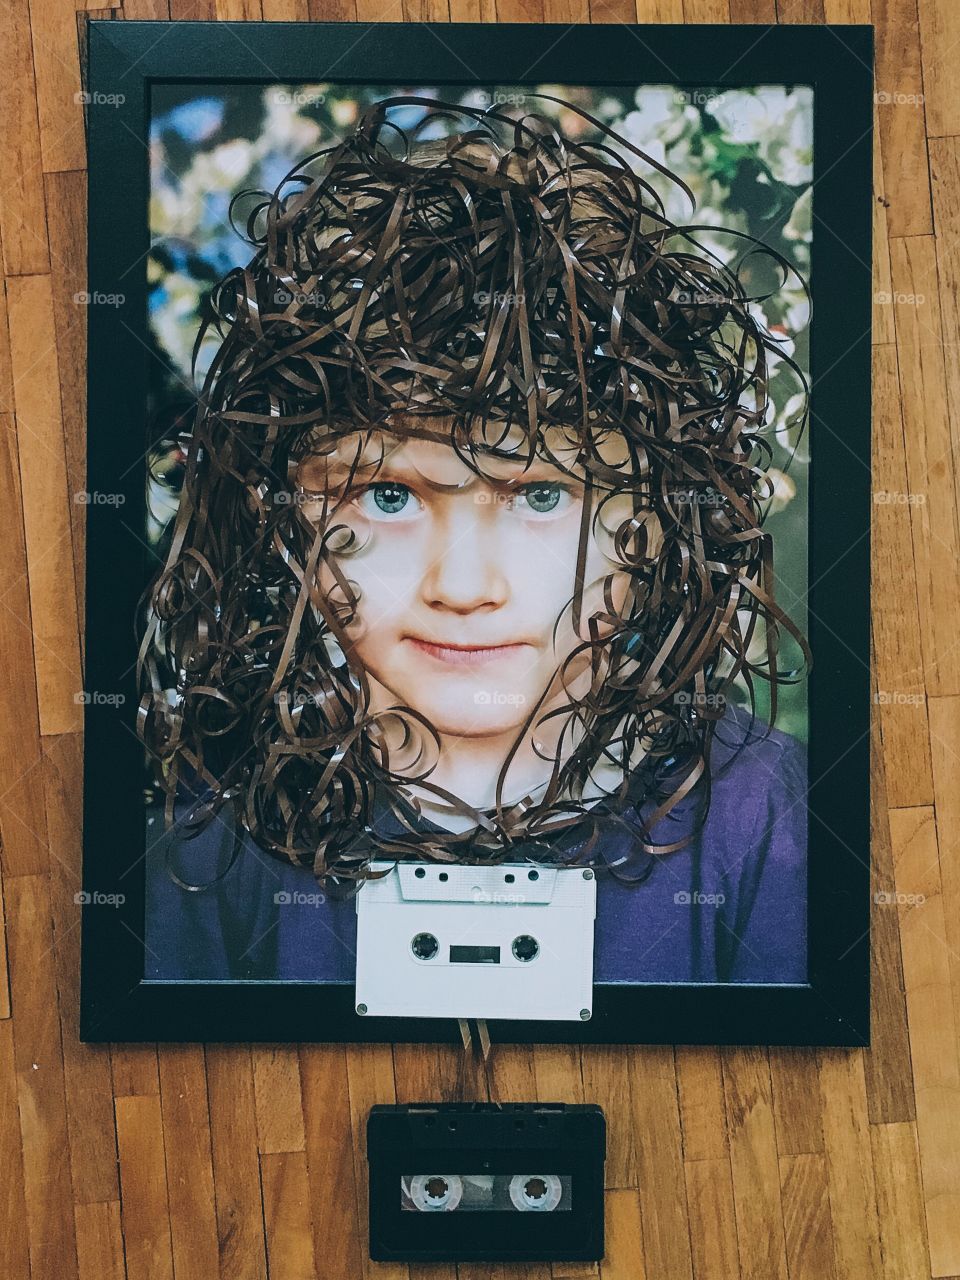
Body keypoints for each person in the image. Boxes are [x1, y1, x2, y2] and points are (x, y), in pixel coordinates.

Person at [139, 93, 809, 986]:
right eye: (386, 496)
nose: (461, 587)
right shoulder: (213, 829)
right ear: (289, 515)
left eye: (538, 496)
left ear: (648, 519)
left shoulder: (764, 816)